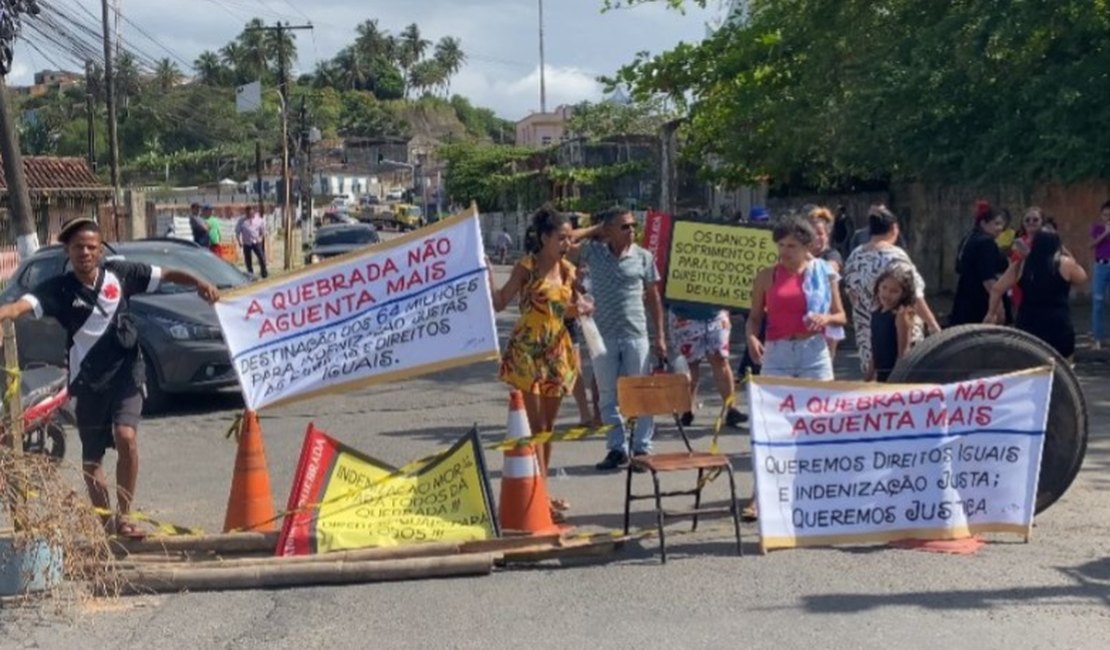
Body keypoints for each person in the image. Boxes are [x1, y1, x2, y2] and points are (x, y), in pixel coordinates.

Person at [0, 218, 219, 538]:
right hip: (88, 383)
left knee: (126, 436)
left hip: (127, 373)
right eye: (78, 248)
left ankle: (125, 516)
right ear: (68, 251)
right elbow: (20, 305)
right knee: (91, 462)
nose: (85, 253)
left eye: (91, 247)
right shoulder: (59, 289)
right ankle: (108, 528)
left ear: (101, 250)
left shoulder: (121, 274)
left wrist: (199, 282)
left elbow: (166, 274)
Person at [490, 207, 587, 521]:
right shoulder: (526, 268)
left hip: (557, 351)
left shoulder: (570, 271)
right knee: (534, 428)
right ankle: (539, 498)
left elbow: (565, 311)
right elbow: (501, 301)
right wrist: (486, 276)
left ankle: (542, 491)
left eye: (570, 238)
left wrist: (583, 307)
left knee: (548, 427)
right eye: (561, 238)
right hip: (528, 351)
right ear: (544, 238)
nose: (567, 244)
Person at [574, 208, 666, 471]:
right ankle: (617, 448)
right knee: (607, 394)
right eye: (624, 226)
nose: (631, 230)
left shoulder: (643, 257)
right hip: (603, 336)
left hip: (636, 334)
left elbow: (653, 297)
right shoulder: (594, 253)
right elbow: (568, 241)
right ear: (609, 230)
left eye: (633, 225)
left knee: (640, 393)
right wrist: (595, 229)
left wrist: (659, 334)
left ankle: (642, 448)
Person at [844, 205, 941, 377]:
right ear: (894, 229)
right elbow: (915, 295)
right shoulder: (895, 256)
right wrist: (934, 326)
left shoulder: (854, 256)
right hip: (897, 336)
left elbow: (852, 295)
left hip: (868, 335)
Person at [746, 216, 847, 382]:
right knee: (774, 407)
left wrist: (825, 318)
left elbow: (841, 316)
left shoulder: (824, 274)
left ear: (806, 247)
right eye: (781, 245)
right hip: (777, 353)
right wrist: (751, 337)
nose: (785, 251)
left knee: (817, 406)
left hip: (813, 351)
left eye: (792, 246)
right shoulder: (766, 276)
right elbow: (754, 317)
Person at [987, 231, 1087, 359]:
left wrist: (991, 313)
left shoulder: (1022, 264)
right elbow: (1082, 278)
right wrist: (1066, 252)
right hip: (1058, 324)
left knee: (1029, 367)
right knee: (1062, 370)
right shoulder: (1066, 263)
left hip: (1029, 324)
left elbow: (996, 289)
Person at [668, 302, 747, 429]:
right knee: (690, 364)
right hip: (684, 314)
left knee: (720, 360)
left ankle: (731, 409)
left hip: (716, 314)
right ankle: (687, 408)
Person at [949, 200, 1008, 326]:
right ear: (983, 223)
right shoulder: (986, 243)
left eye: (1002, 224)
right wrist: (997, 307)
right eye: (996, 224)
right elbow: (988, 279)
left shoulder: (968, 238)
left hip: (965, 296)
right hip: (980, 300)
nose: (1000, 228)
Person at [807, 206, 846, 357]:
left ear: (827, 234)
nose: (816, 238)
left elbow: (830, 269)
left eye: (820, 233)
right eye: (811, 234)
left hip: (828, 318)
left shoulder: (831, 254)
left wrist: (804, 255)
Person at [869, 267, 917, 382]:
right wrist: (868, 376)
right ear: (878, 286)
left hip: (894, 375)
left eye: (894, 291)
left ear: (903, 294)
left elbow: (903, 353)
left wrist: (896, 379)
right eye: (884, 288)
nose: (887, 294)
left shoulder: (901, 315)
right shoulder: (876, 312)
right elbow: (876, 348)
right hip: (881, 373)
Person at [1090, 200, 1110, 350]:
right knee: (1098, 302)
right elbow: (1091, 245)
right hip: (1101, 265)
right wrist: (1105, 233)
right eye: (1105, 215)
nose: (1107, 218)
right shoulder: (1097, 228)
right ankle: (1097, 338)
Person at [236, 210, 268, 279]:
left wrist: (261, 238)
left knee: (261, 257)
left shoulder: (259, 220)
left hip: (256, 242)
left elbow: (263, 230)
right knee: (248, 260)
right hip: (246, 243)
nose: (250, 215)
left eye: (251, 214)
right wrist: (239, 241)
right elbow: (237, 232)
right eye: (248, 214)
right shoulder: (242, 221)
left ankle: (264, 273)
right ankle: (250, 274)